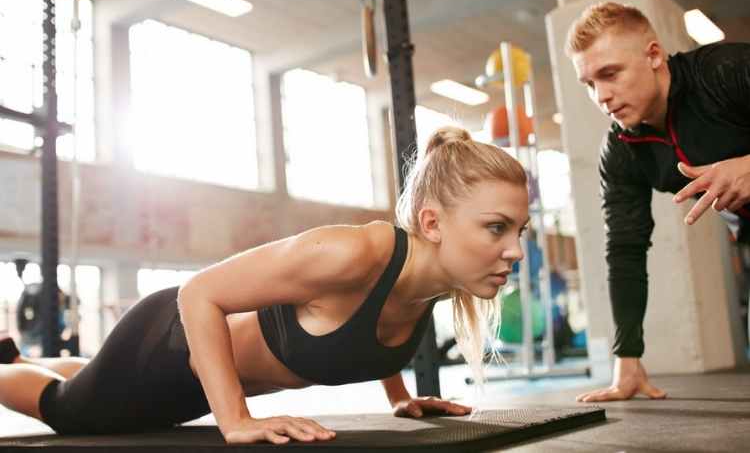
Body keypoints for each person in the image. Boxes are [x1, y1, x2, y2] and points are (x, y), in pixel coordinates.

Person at [0, 126, 530, 444]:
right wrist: (236, 421)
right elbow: (198, 294)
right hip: (170, 345)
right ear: (433, 223)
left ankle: (21, 359)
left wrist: (401, 397)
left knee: (96, 378)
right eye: (496, 228)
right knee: (71, 410)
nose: (515, 250)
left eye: (518, 229)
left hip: (199, 383)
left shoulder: (437, 277)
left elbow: (379, 320)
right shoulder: (351, 252)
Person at [565, 1, 750, 403]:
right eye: (589, 83)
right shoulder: (622, 150)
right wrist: (626, 357)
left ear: (653, 56)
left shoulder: (723, 71)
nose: (602, 96)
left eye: (610, 74)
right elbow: (625, 249)